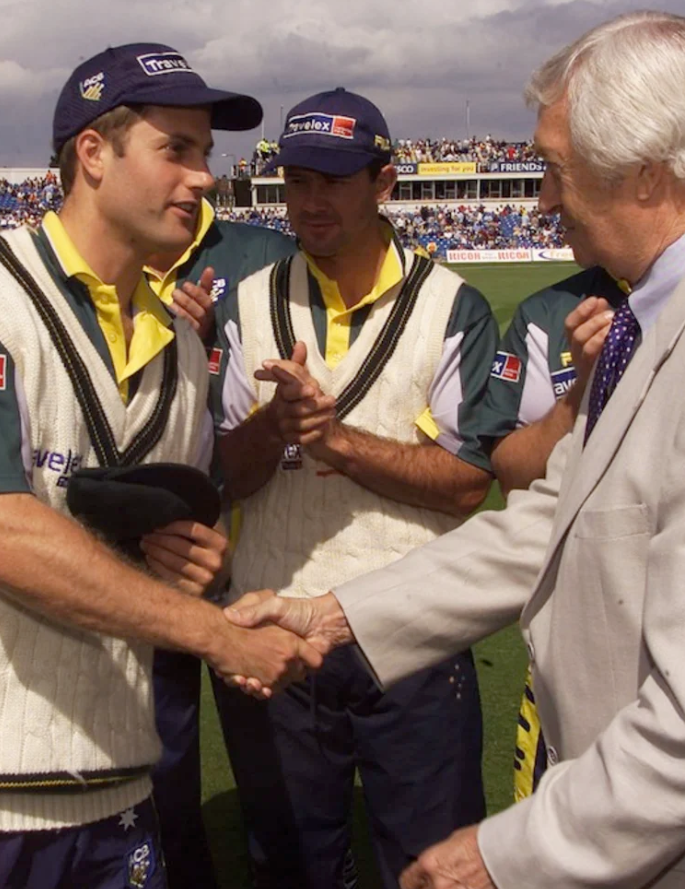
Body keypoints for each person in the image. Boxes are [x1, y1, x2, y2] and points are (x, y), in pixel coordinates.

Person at [226, 11, 685, 889]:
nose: (543, 199)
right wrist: (336, 615)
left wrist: (503, 852)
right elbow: (560, 512)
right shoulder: (682, 311)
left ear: (643, 172)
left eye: (553, 169)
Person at [0, 43, 320, 889]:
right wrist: (213, 634)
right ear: (92, 155)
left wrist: (192, 561)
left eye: (206, 154)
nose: (205, 177)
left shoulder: (178, 343)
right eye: (176, 149)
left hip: (119, 784)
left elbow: (156, 531)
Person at [209, 88, 502, 888]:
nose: (311, 202)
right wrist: (275, 426)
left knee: (433, 863)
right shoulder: (248, 303)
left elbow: (466, 485)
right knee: (293, 861)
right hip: (273, 623)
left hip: (409, 629)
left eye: (333, 181)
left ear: (383, 183)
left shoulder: (451, 309)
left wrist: (333, 437)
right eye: (297, 180)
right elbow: (222, 477)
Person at [141, 156, 295, 889]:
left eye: (194, 151)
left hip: (255, 548)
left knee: (275, 759)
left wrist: (207, 351)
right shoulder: (103, 256)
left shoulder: (261, 253)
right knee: (156, 757)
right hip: (147, 548)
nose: (189, 175)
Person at [485, 264, 626, 803]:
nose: (546, 200)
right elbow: (511, 475)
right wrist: (580, 399)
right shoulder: (546, 315)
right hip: (576, 628)